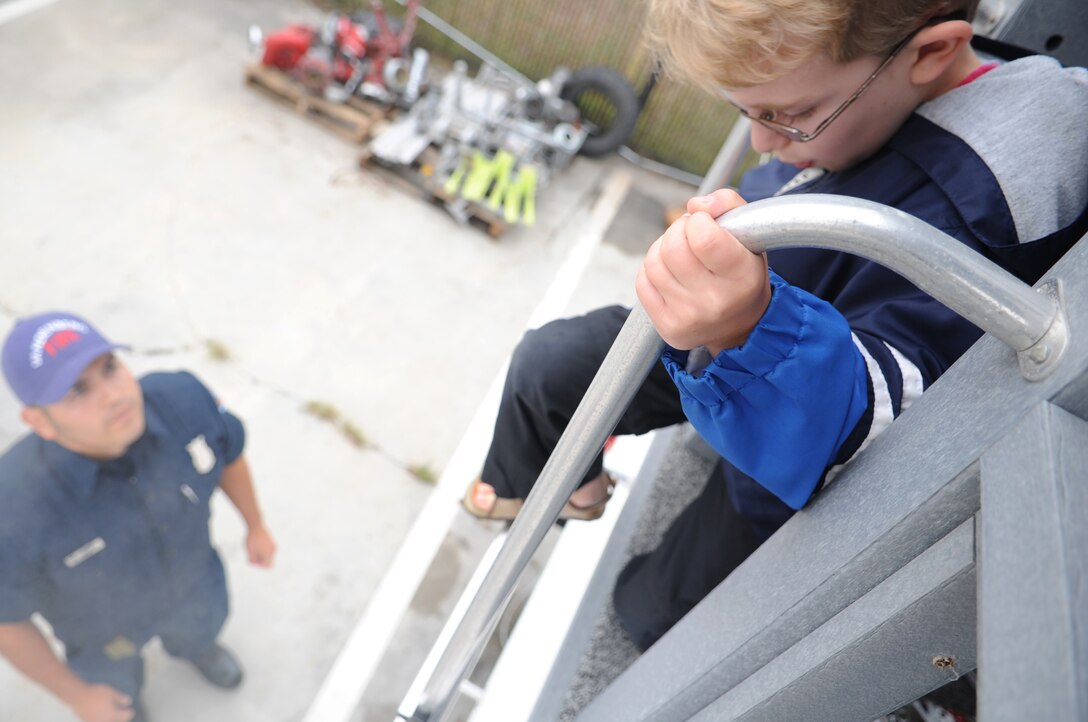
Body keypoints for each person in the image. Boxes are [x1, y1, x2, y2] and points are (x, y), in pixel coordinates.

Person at [463, 0, 1088, 652]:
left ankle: (651, 591)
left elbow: (879, 423)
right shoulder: (890, 90)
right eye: (745, 111)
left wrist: (747, 330)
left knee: (650, 609)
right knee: (551, 363)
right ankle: (571, 491)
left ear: (931, 53)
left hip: (800, 405)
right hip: (766, 309)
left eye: (787, 115)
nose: (761, 142)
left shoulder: (976, 215)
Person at [0, 312, 277, 722]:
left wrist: (255, 525)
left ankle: (198, 648)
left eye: (110, 367)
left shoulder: (183, 400)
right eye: (78, 390)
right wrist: (78, 696)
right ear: (40, 421)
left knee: (201, 626)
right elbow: (7, 621)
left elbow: (229, 454)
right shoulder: (14, 510)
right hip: (102, 637)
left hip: (195, 585)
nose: (114, 396)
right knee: (118, 697)